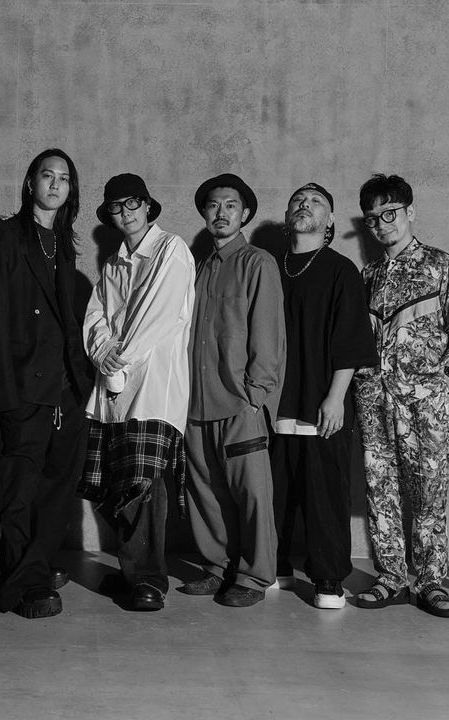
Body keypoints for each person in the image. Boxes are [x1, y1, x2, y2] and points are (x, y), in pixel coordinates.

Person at [0, 149, 95, 619]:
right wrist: (5, 397)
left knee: (56, 494)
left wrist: (81, 385)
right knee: (20, 493)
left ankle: (36, 573)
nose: (55, 184)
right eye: (48, 175)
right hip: (24, 388)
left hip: (67, 390)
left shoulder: (63, 244)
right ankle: (16, 587)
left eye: (64, 178)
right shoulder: (3, 236)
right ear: (31, 183)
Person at [352, 174, 449, 617]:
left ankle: (430, 581)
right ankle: (391, 577)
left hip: (425, 397)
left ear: (410, 213)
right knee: (380, 486)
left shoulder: (440, 264)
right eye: (373, 218)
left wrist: (447, 375)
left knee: (428, 489)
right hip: (375, 397)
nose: (382, 224)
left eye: (390, 214)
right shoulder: (368, 275)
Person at [78, 173, 195, 612]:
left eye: (133, 204)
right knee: (116, 482)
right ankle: (131, 571)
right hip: (113, 392)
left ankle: (149, 579)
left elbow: (158, 315)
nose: (125, 213)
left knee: (143, 483)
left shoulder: (171, 249)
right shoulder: (113, 263)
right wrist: (102, 352)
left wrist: (118, 361)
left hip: (152, 387)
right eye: (116, 207)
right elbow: (96, 315)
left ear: (148, 206)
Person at [270, 182, 378, 609]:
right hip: (274, 400)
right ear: (287, 216)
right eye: (298, 200)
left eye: (316, 202)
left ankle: (328, 579)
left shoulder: (340, 270)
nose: (305, 205)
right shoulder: (269, 266)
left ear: (330, 220)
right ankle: (274, 565)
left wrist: (336, 397)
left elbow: (350, 337)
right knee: (275, 492)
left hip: (322, 400)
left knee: (325, 495)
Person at [180, 173, 286, 608]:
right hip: (195, 401)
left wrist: (256, 397)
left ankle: (254, 576)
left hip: (240, 402)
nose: (220, 213)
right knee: (204, 493)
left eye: (230, 205)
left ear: (245, 214)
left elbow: (269, 334)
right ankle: (216, 568)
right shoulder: (197, 267)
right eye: (213, 205)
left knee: (253, 495)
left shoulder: (257, 263)